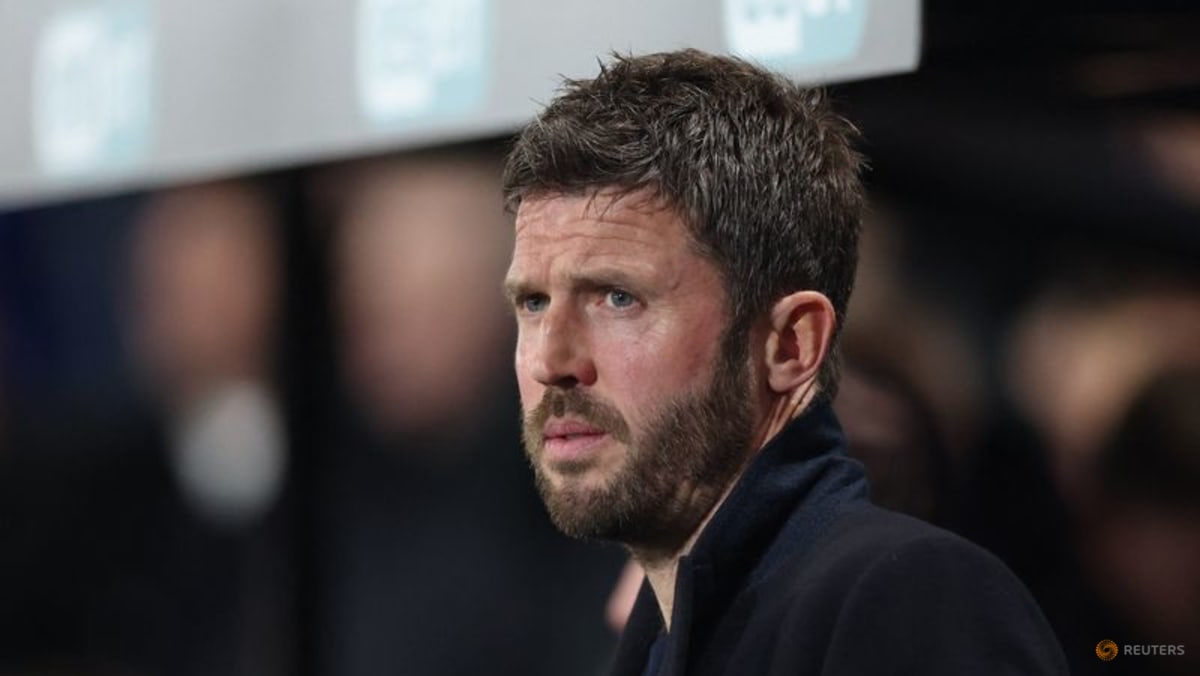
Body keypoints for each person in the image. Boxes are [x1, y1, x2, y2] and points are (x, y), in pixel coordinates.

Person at [501, 49, 1068, 676]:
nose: (551, 360)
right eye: (533, 302)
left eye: (617, 298)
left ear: (791, 345)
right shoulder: (655, 646)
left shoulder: (908, 600)